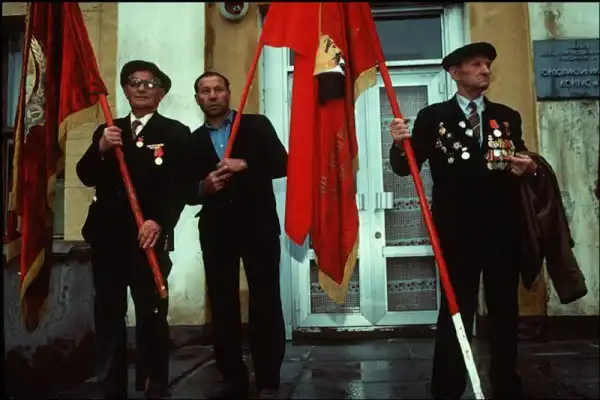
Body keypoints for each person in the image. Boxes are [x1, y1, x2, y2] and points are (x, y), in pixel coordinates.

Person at [388, 42, 536, 399]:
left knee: (504, 310)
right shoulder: (433, 117)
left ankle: (506, 384)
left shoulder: (506, 116)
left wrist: (528, 166)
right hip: (457, 231)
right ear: (455, 73)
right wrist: (398, 143)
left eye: (487, 64)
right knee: (456, 309)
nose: (485, 70)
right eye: (476, 64)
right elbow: (405, 167)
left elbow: (520, 157)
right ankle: (447, 387)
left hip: (503, 229)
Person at [77, 60, 192, 399]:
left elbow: (181, 186)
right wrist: (101, 148)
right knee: (108, 311)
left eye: (150, 83)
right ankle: (111, 382)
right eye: (134, 82)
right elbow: (85, 175)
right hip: (109, 238)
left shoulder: (175, 133)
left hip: (148, 238)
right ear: (126, 90)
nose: (142, 88)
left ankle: (154, 379)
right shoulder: (109, 130)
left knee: (151, 312)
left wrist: (160, 221)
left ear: (161, 93)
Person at [186, 71, 288, 399]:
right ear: (198, 99)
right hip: (217, 232)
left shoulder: (256, 125)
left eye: (218, 89)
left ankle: (268, 378)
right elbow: (184, 190)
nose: (212, 95)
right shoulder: (192, 140)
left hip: (258, 227)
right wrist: (204, 187)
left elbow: (282, 163)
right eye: (205, 91)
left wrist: (246, 163)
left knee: (265, 301)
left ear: (228, 93)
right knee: (223, 304)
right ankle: (233, 376)